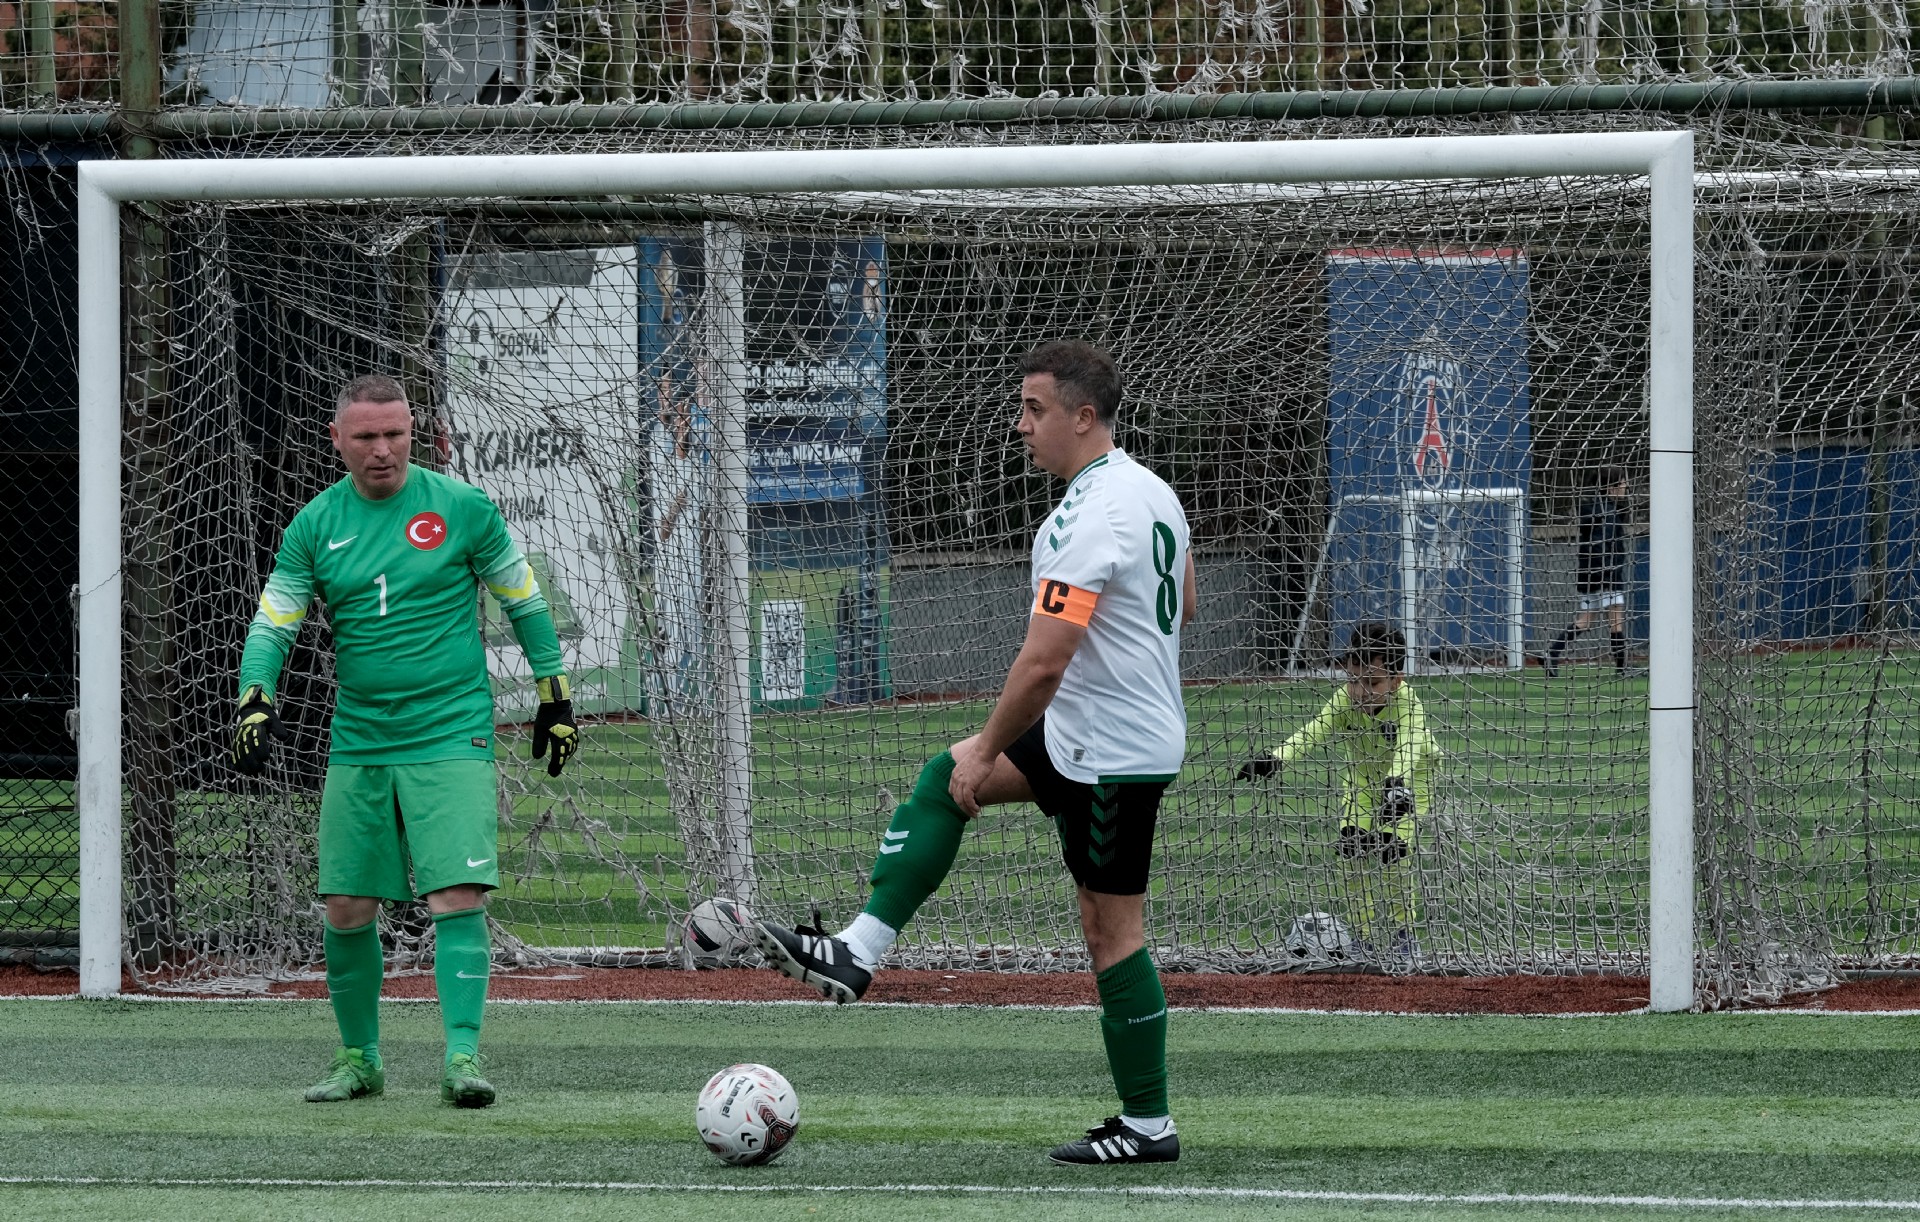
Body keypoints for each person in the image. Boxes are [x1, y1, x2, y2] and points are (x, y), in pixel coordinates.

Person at [754, 341, 1197, 1166]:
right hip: (1091, 730)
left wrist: (989, 747)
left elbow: (1044, 662)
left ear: (1084, 417)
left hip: (1110, 751)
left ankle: (1148, 1125)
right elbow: (1188, 602)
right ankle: (857, 951)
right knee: (944, 778)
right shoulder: (1149, 490)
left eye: (1035, 409)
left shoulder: (1088, 515)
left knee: (1111, 932)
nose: (1020, 425)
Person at [230, 374, 578, 1108]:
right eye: (366, 436)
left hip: (450, 730)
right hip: (360, 737)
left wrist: (554, 694)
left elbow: (524, 599)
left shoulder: (462, 507)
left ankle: (462, 1059)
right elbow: (273, 623)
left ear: (414, 432)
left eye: (395, 434)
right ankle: (360, 1060)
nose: (383, 449)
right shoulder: (314, 525)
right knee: (347, 906)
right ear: (337, 440)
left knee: (457, 892)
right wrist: (254, 697)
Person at [1237, 621, 1437, 960]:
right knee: (1350, 848)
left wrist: (1397, 784)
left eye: (1372, 683)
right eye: (1353, 680)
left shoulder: (1409, 706)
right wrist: (1277, 758)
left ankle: (1404, 936)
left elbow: (1409, 746)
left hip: (1410, 782)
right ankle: (1363, 939)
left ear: (1396, 681)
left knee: (1393, 851)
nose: (1361, 692)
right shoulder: (1344, 701)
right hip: (1362, 782)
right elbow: (1314, 731)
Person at [1546, 466, 1631, 677]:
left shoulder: (1592, 508)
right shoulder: (1608, 513)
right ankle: (1622, 668)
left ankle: (1552, 653)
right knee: (1616, 621)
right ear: (1612, 487)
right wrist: (1608, 575)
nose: (1626, 486)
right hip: (1606, 574)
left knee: (1585, 620)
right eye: (1623, 482)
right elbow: (1603, 545)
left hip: (1589, 574)